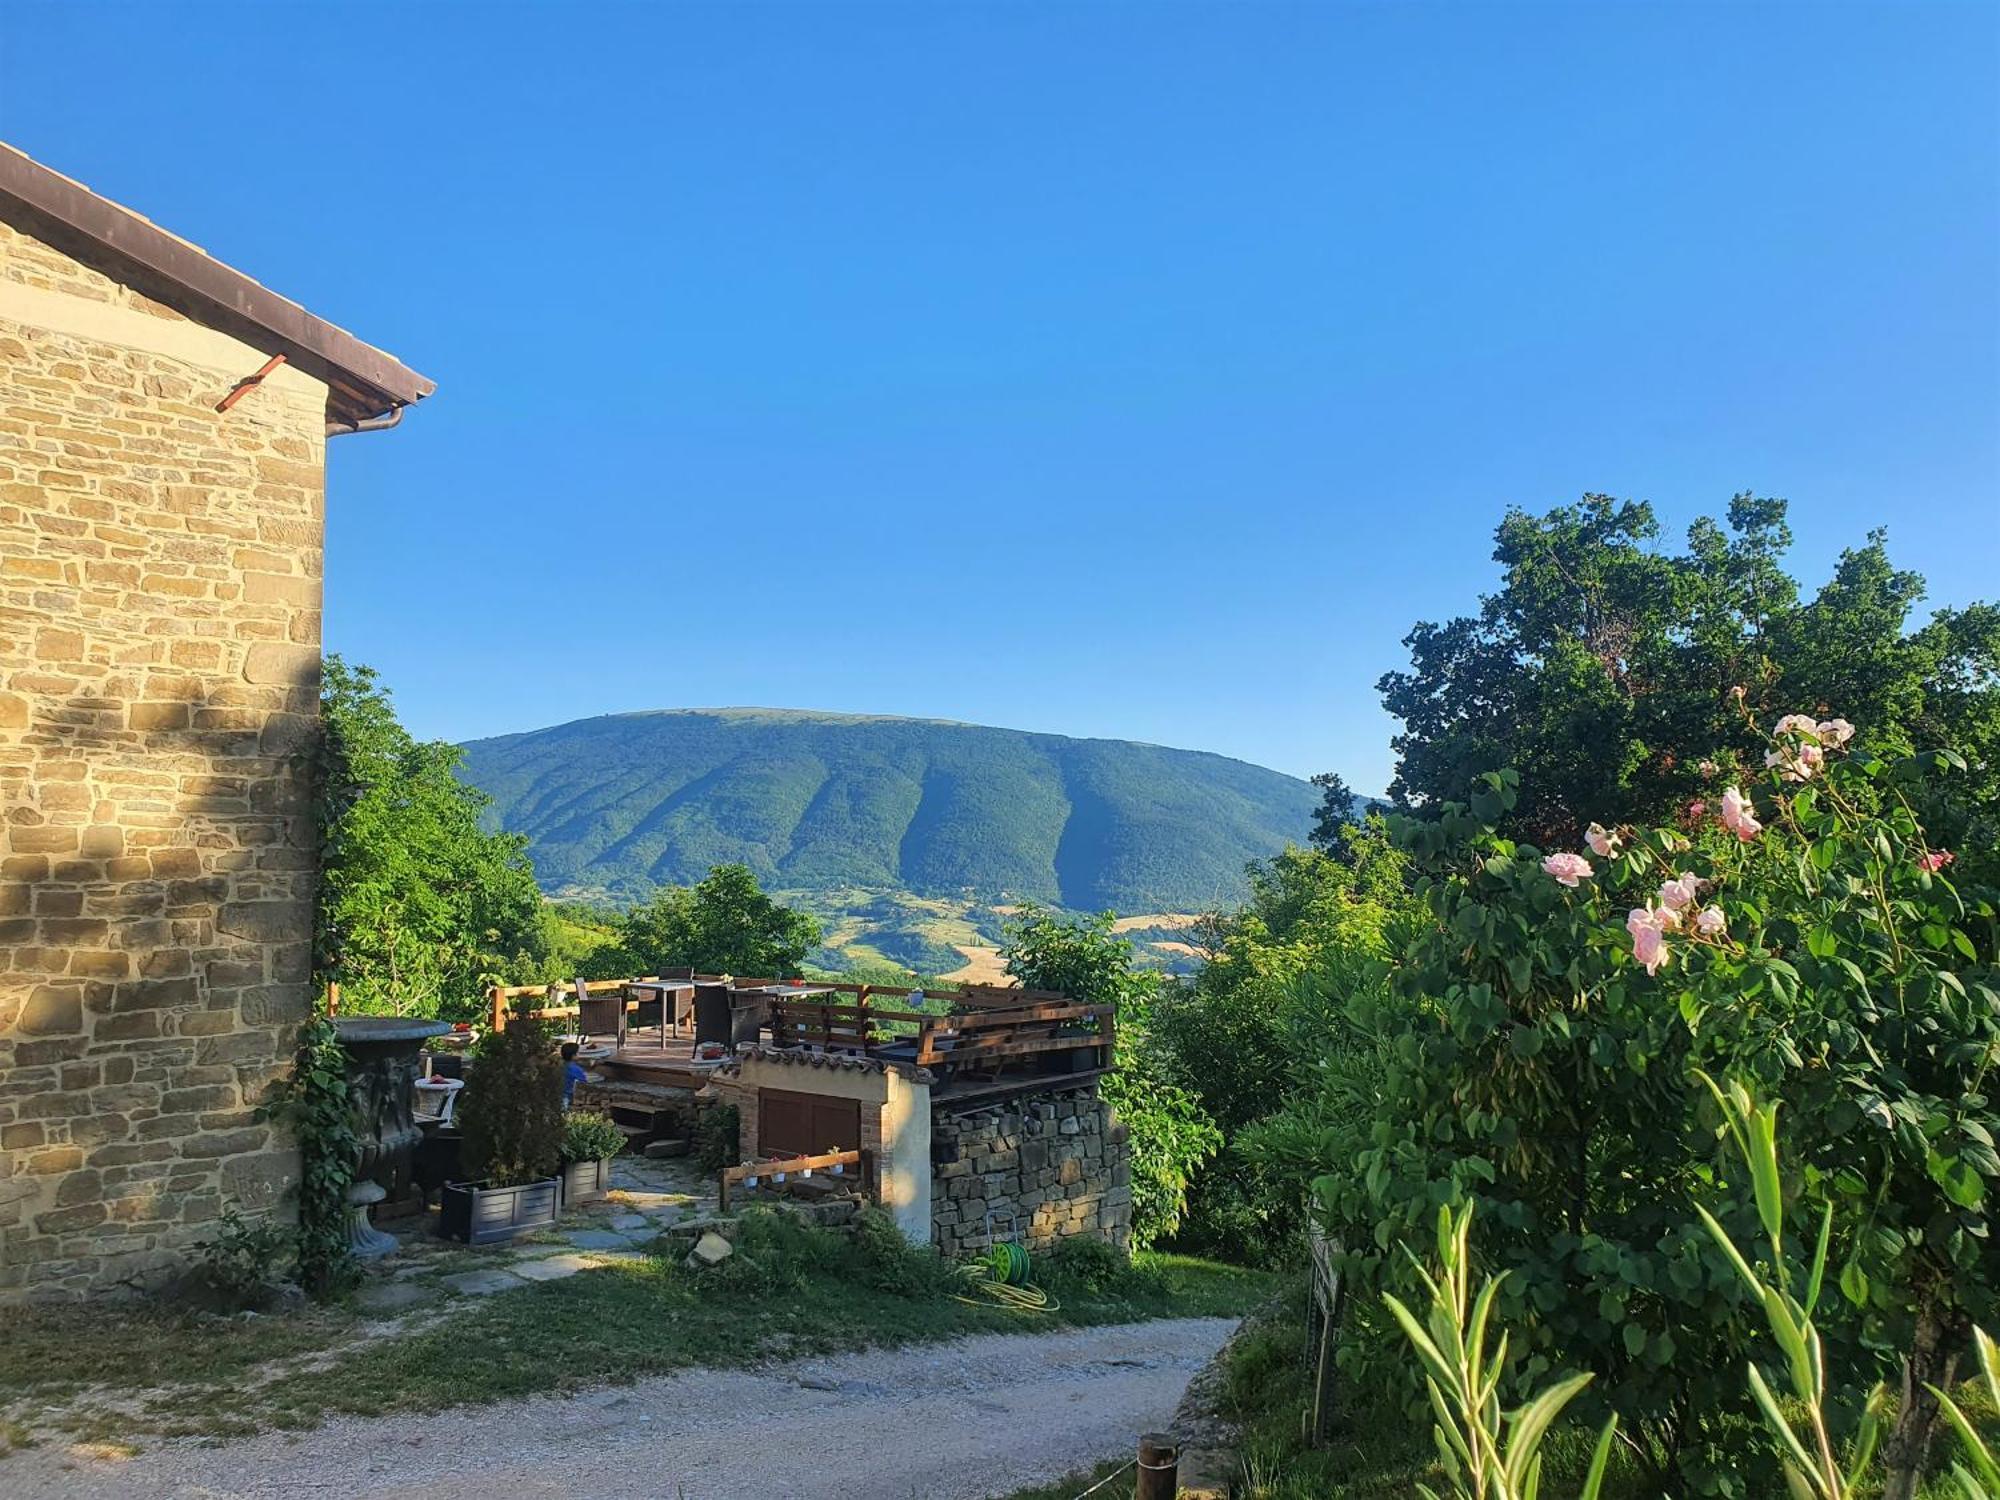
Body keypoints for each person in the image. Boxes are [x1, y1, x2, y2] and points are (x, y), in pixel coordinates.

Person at [560, 1040, 587, 1109]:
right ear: (573, 1056)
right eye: (578, 1053)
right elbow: (583, 1083)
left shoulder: (560, 1066)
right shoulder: (576, 1069)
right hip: (569, 1098)